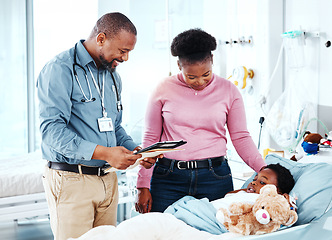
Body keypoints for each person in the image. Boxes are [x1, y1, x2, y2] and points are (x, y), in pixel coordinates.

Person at [37, 12, 158, 240]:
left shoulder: (112, 76)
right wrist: (105, 153)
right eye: (123, 51)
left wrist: (137, 151)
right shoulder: (60, 69)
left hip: (107, 178)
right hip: (72, 179)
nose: (125, 58)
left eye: (129, 52)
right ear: (101, 38)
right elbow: (51, 132)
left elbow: (115, 127)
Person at [135, 28, 266, 214]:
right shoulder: (162, 89)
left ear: (212, 61)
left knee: (217, 233)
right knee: (163, 232)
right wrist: (142, 185)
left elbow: (241, 137)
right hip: (168, 178)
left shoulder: (229, 90)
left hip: (215, 176)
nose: (200, 82)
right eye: (191, 77)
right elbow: (151, 139)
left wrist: (265, 170)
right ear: (179, 65)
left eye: (206, 74)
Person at [164, 163, 296, 234]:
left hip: (210, 220)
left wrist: (285, 201)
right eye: (254, 179)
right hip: (201, 209)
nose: (254, 182)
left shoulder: (264, 204)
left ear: (277, 192)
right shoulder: (246, 194)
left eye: (262, 182)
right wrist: (245, 190)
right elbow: (228, 195)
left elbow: (283, 215)